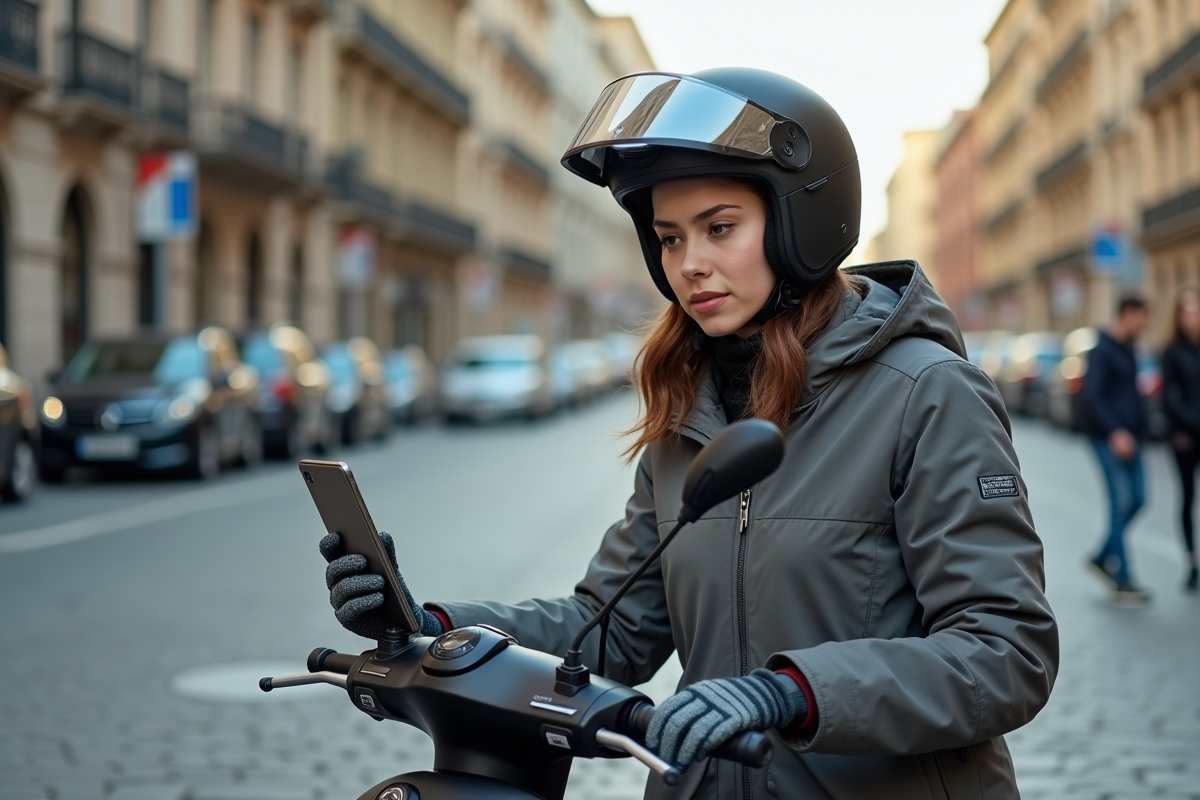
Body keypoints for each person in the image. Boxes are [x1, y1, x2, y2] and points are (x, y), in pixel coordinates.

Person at [319, 69, 1058, 799]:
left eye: (720, 228)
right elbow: (607, 628)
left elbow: (1005, 653)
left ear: (803, 221)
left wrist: (793, 693)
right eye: (670, 238)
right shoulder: (690, 412)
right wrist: (433, 622)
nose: (689, 264)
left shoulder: (926, 393)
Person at [1081, 293, 1153, 606]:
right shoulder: (1102, 351)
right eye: (1142, 318)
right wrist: (1115, 432)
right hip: (1108, 439)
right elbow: (1092, 397)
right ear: (1128, 314)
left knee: (1138, 499)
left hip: (1133, 439)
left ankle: (1102, 556)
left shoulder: (1130, 350)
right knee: (1121, 501)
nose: (1144, 325)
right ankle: (1123, 578)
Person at [1161, 285, 1200, 591]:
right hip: (1186, 437)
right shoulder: (1172, 352)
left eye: (1196, 309)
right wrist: (1185, 427)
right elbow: (1169, 399)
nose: (1193, 316)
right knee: (1188, 497)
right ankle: (1191, 559)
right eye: (1187, 311)